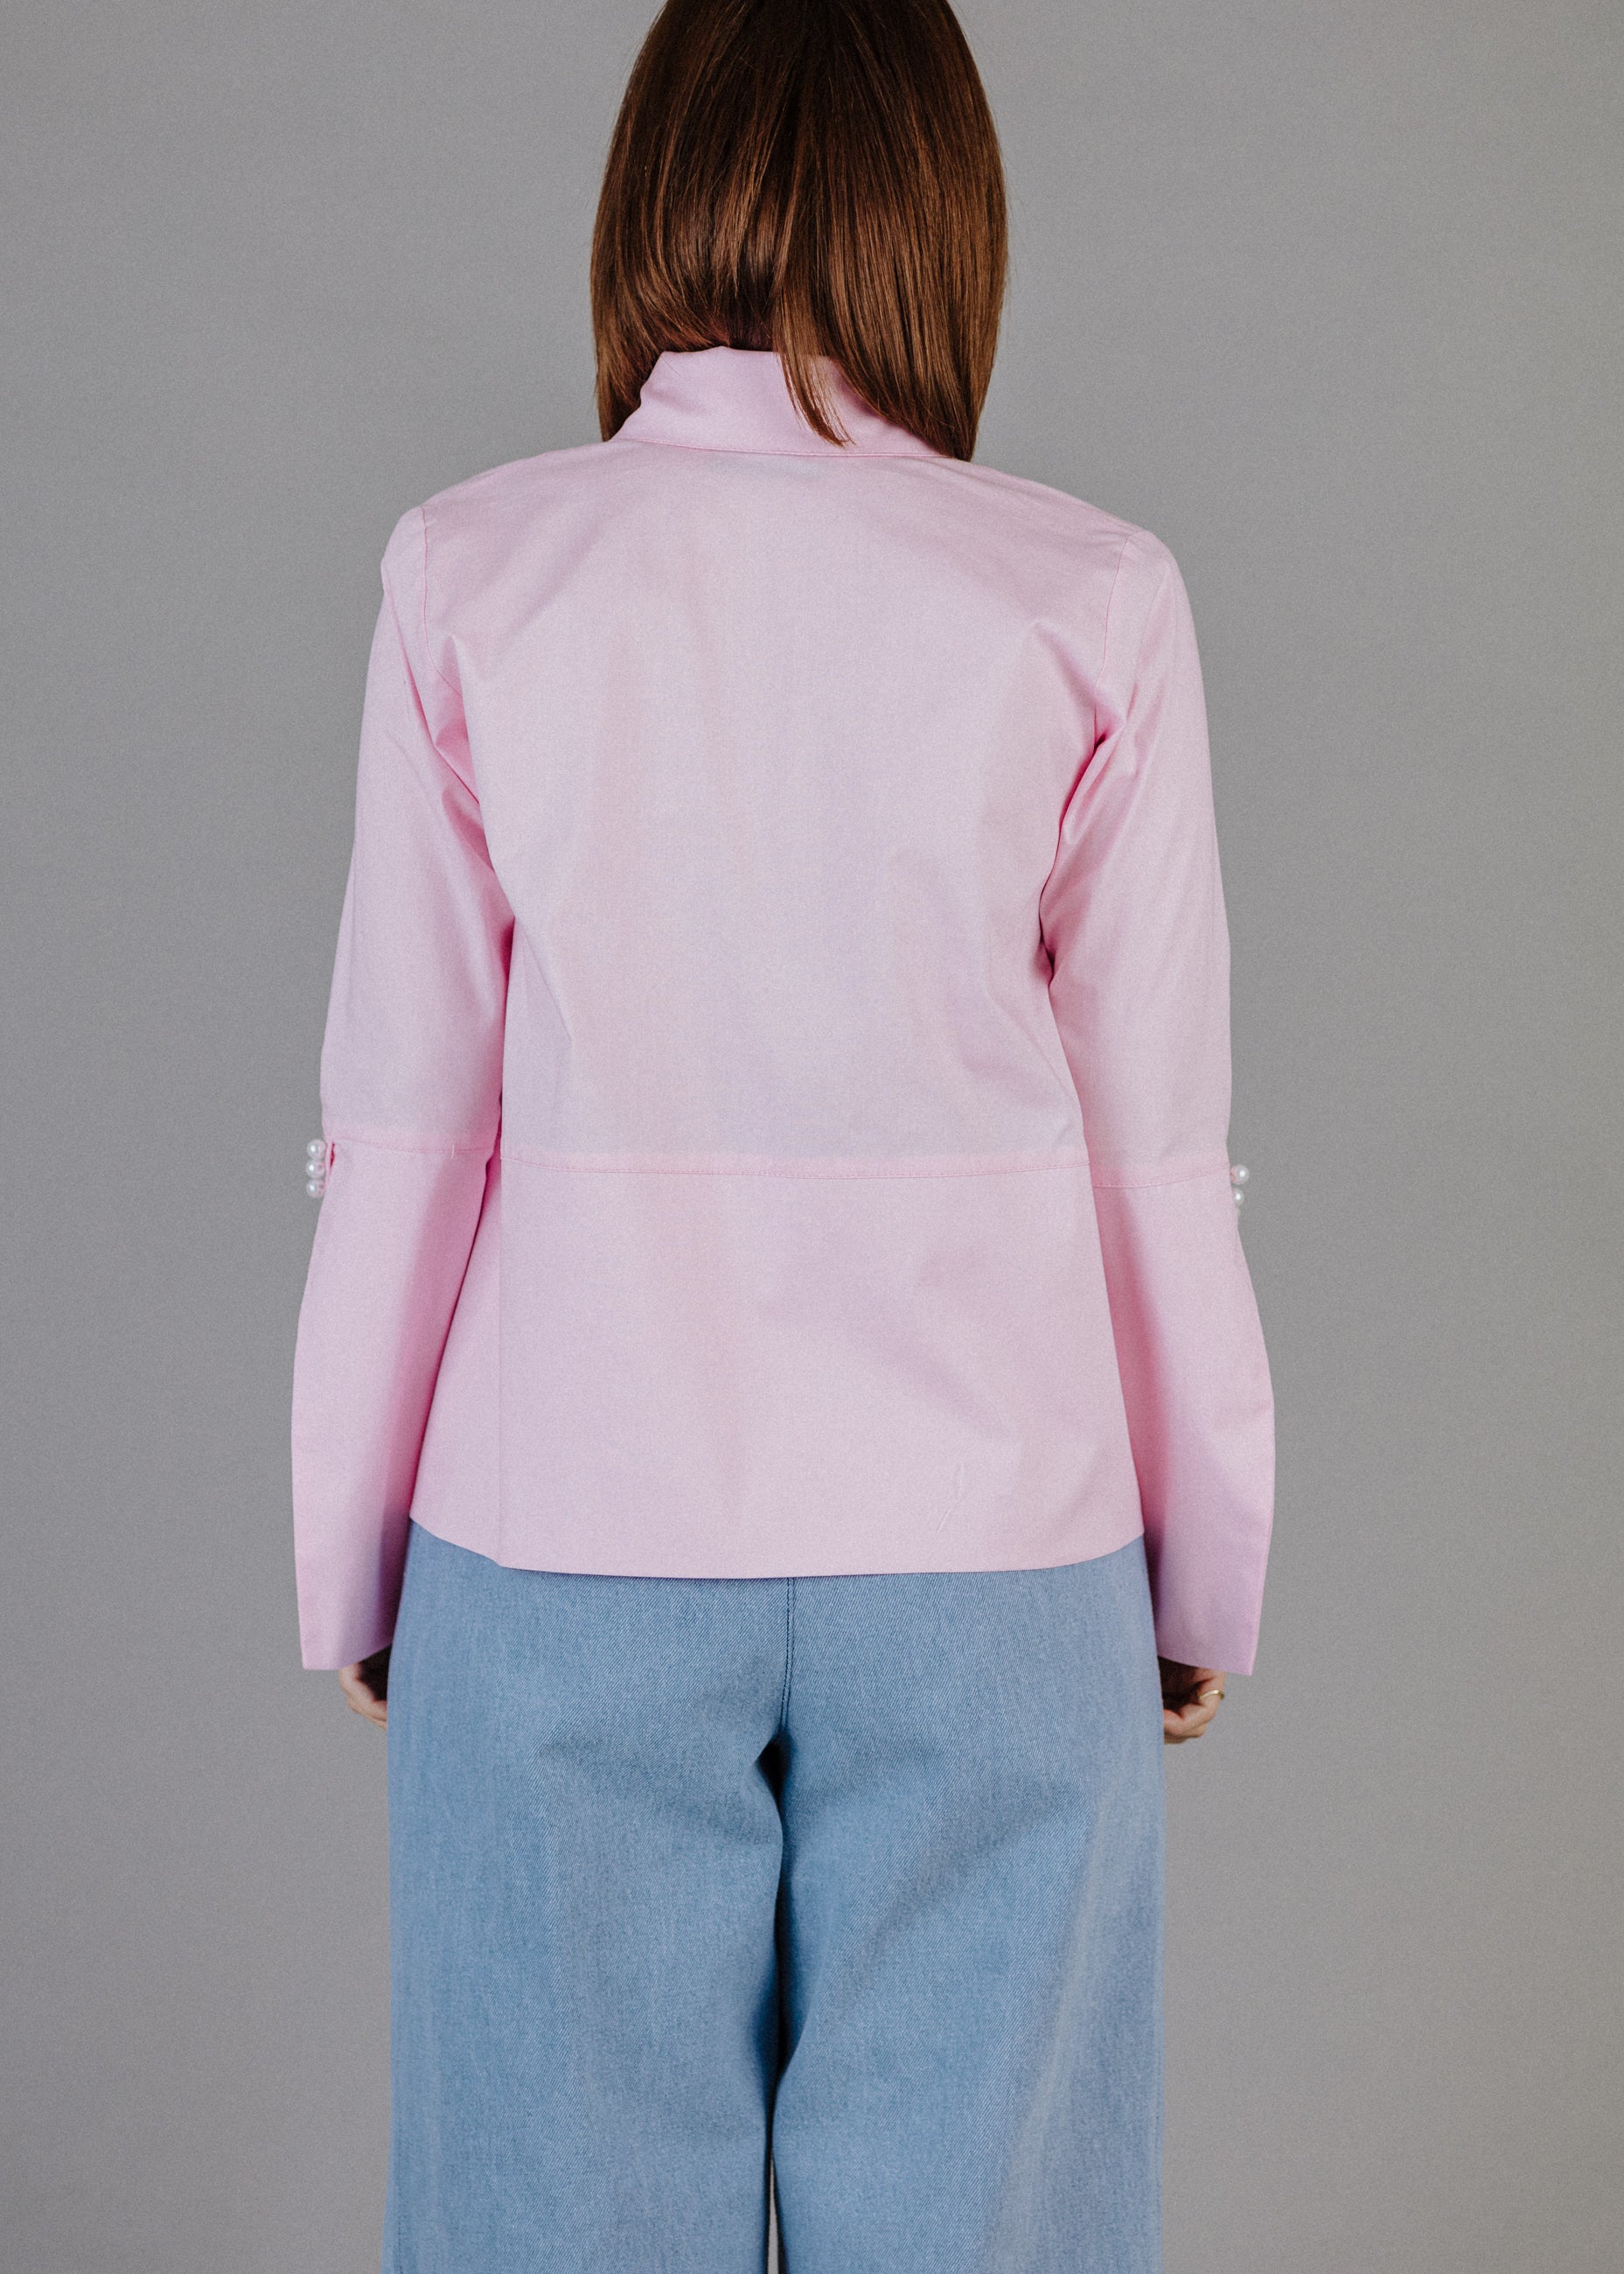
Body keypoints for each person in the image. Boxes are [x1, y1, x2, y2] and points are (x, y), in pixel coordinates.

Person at [291, 1, 1274, 2266]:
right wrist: (1202, 1557)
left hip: (557, 1533)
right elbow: (1154, 1142)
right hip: (999, 1551)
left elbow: (408, 1114)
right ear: (950, 221)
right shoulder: (1088, 596)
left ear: (648, 195)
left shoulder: (473, 573)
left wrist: (352, 1547)